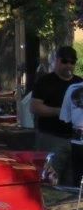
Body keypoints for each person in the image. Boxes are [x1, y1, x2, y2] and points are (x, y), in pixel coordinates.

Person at [35, 45, 82, 182]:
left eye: (72, 62)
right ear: (57, 61)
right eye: (65, 61)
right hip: (51, 137)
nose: (69, 65)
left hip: (75, 140)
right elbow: (35, 107)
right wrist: (60, 112)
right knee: (50, 179)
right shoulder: (45, 81)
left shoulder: (79, 83)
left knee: (72, 180)